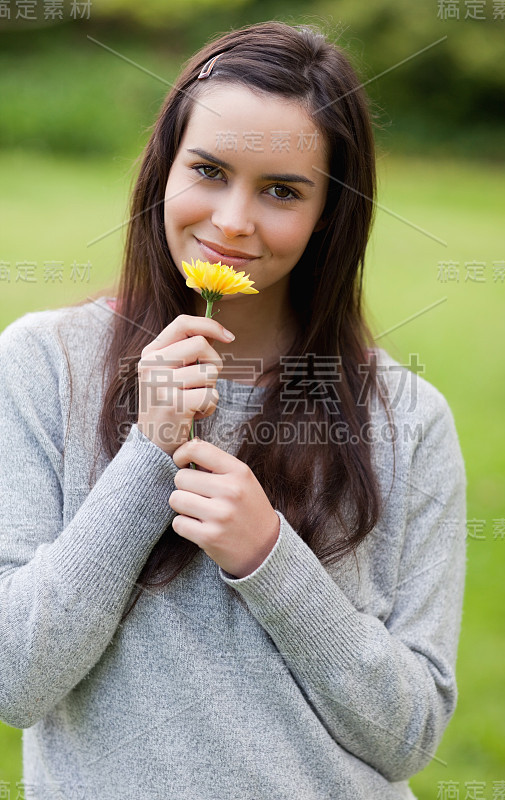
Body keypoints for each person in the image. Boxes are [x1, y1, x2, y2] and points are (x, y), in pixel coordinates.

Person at [0, 20, 467, 800]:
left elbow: (408, 737)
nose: (232, 222)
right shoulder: (41, 365)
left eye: (282, 190)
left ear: (329, 216)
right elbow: (16, 680)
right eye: (209, 171)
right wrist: (148, 454)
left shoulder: (408, 418)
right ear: (161, 170)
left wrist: (270, 559)